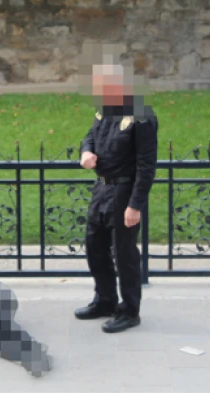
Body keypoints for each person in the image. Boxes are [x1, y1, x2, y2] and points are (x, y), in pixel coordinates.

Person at [74, 57, 158, 334]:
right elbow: (90, 135)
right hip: (102, 187)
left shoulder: (142, 115)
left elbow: (146, 165)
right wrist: (86, 151)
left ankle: (129, 310)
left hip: (124, 189)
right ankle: (105, 299)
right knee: (95, 246)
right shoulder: (105, 110)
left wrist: (135, 205)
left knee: (124, 254)